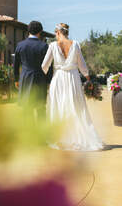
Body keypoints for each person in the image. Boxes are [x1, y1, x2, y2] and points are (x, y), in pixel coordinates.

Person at [41, 23, 105, 151]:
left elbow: (44, 65)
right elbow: (82, 65)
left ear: (58, 33)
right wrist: (88, 78)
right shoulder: (75, 44)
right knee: (76, 108)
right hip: (72, 79)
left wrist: (43, 78)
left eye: (55, 33)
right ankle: (77, 139)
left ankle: (60, 139)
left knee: (58, 108)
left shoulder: (53, 45)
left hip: (58, 79)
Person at [14, 21, 52, 119]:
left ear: (28, 31)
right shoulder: (44, 46)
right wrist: (48, 81)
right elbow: (49, 66)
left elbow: (16, 65)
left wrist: (16, 79)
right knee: (40, 108)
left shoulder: (20, 45)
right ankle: (42, 132)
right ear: (40, 31)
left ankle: (27, 132)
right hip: (40, 79)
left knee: (26, 108)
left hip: (25, 78)